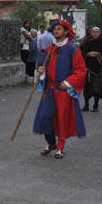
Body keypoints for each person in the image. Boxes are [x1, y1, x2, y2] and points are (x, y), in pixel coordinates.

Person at [32, 19, 87, 159]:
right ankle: (51, 143)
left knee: (62, 119)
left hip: (63, 91)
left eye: (59, 29)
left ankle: (60, 147)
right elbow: (41, 65)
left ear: (66, 32)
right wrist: (41, 70)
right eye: (55, 29)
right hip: (49, 90)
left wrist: (68, 82)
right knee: (45, 118)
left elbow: (80, 71)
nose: (56, 31)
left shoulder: (72, 50)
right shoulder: (49, 49)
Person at [80, 26, 102, 112]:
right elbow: (81, 52)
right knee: (86, 87)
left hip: (98, 68)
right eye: (93, 32)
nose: (95, 33)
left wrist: (98, 54)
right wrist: (88, 54)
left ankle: (95, 105)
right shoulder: (86, 41)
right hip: (87, 67)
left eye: (96, 32)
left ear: (99, 33)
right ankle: (86, 104)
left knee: (97, 87)